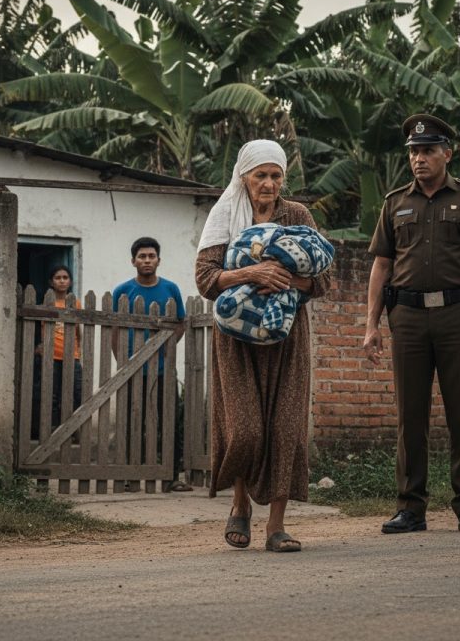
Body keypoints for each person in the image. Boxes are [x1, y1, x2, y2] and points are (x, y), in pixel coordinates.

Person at [363, 113, 460, 534]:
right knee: (410, 415)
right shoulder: (394, 203)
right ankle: (411, 508)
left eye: (427, 150)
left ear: (447, 153)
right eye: (413, 151)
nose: (419, 159)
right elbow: (381, 265)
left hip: (457, 316)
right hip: (405, 317)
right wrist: (371, 325)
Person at [195, 139, 331, 552]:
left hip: (287, 336)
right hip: (235, 338)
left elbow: (321, 279)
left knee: (286, 428)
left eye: (276, 176)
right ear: (244, 178)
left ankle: (276, 525)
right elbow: (205, 279)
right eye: (261, 176)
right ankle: (239, 503)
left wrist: (286, 279)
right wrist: (253, 273)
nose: (269, 184)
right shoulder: (225, 216)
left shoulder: (297, 215)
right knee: (246, 428)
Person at [112, 237, 190, 492]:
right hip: (133, 369)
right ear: (133, 261)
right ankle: (128, 475)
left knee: (169, 421)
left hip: (163, 370)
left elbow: (181, 322)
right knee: (131, 421)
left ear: (159, 260)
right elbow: (115, 328)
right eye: (142, 256)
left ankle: (172, 476)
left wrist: (166, 348)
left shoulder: (170, 289)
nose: (147, 260)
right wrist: (122, 361)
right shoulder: (122, 291)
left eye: (151, 256)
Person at [32, 265, 82, 439]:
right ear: (51, 282)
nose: (62, 280)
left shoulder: (75, 303)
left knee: (74, 393)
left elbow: (78, 331)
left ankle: (71, 432)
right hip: (50, 356)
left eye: (65, 277)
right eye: (58, 277)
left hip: (71, 356)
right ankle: (47, 432)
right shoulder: (46, 302)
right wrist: (37, 346)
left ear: (70, 281)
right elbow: (37, 327)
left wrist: (78, 350)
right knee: (49, 394)